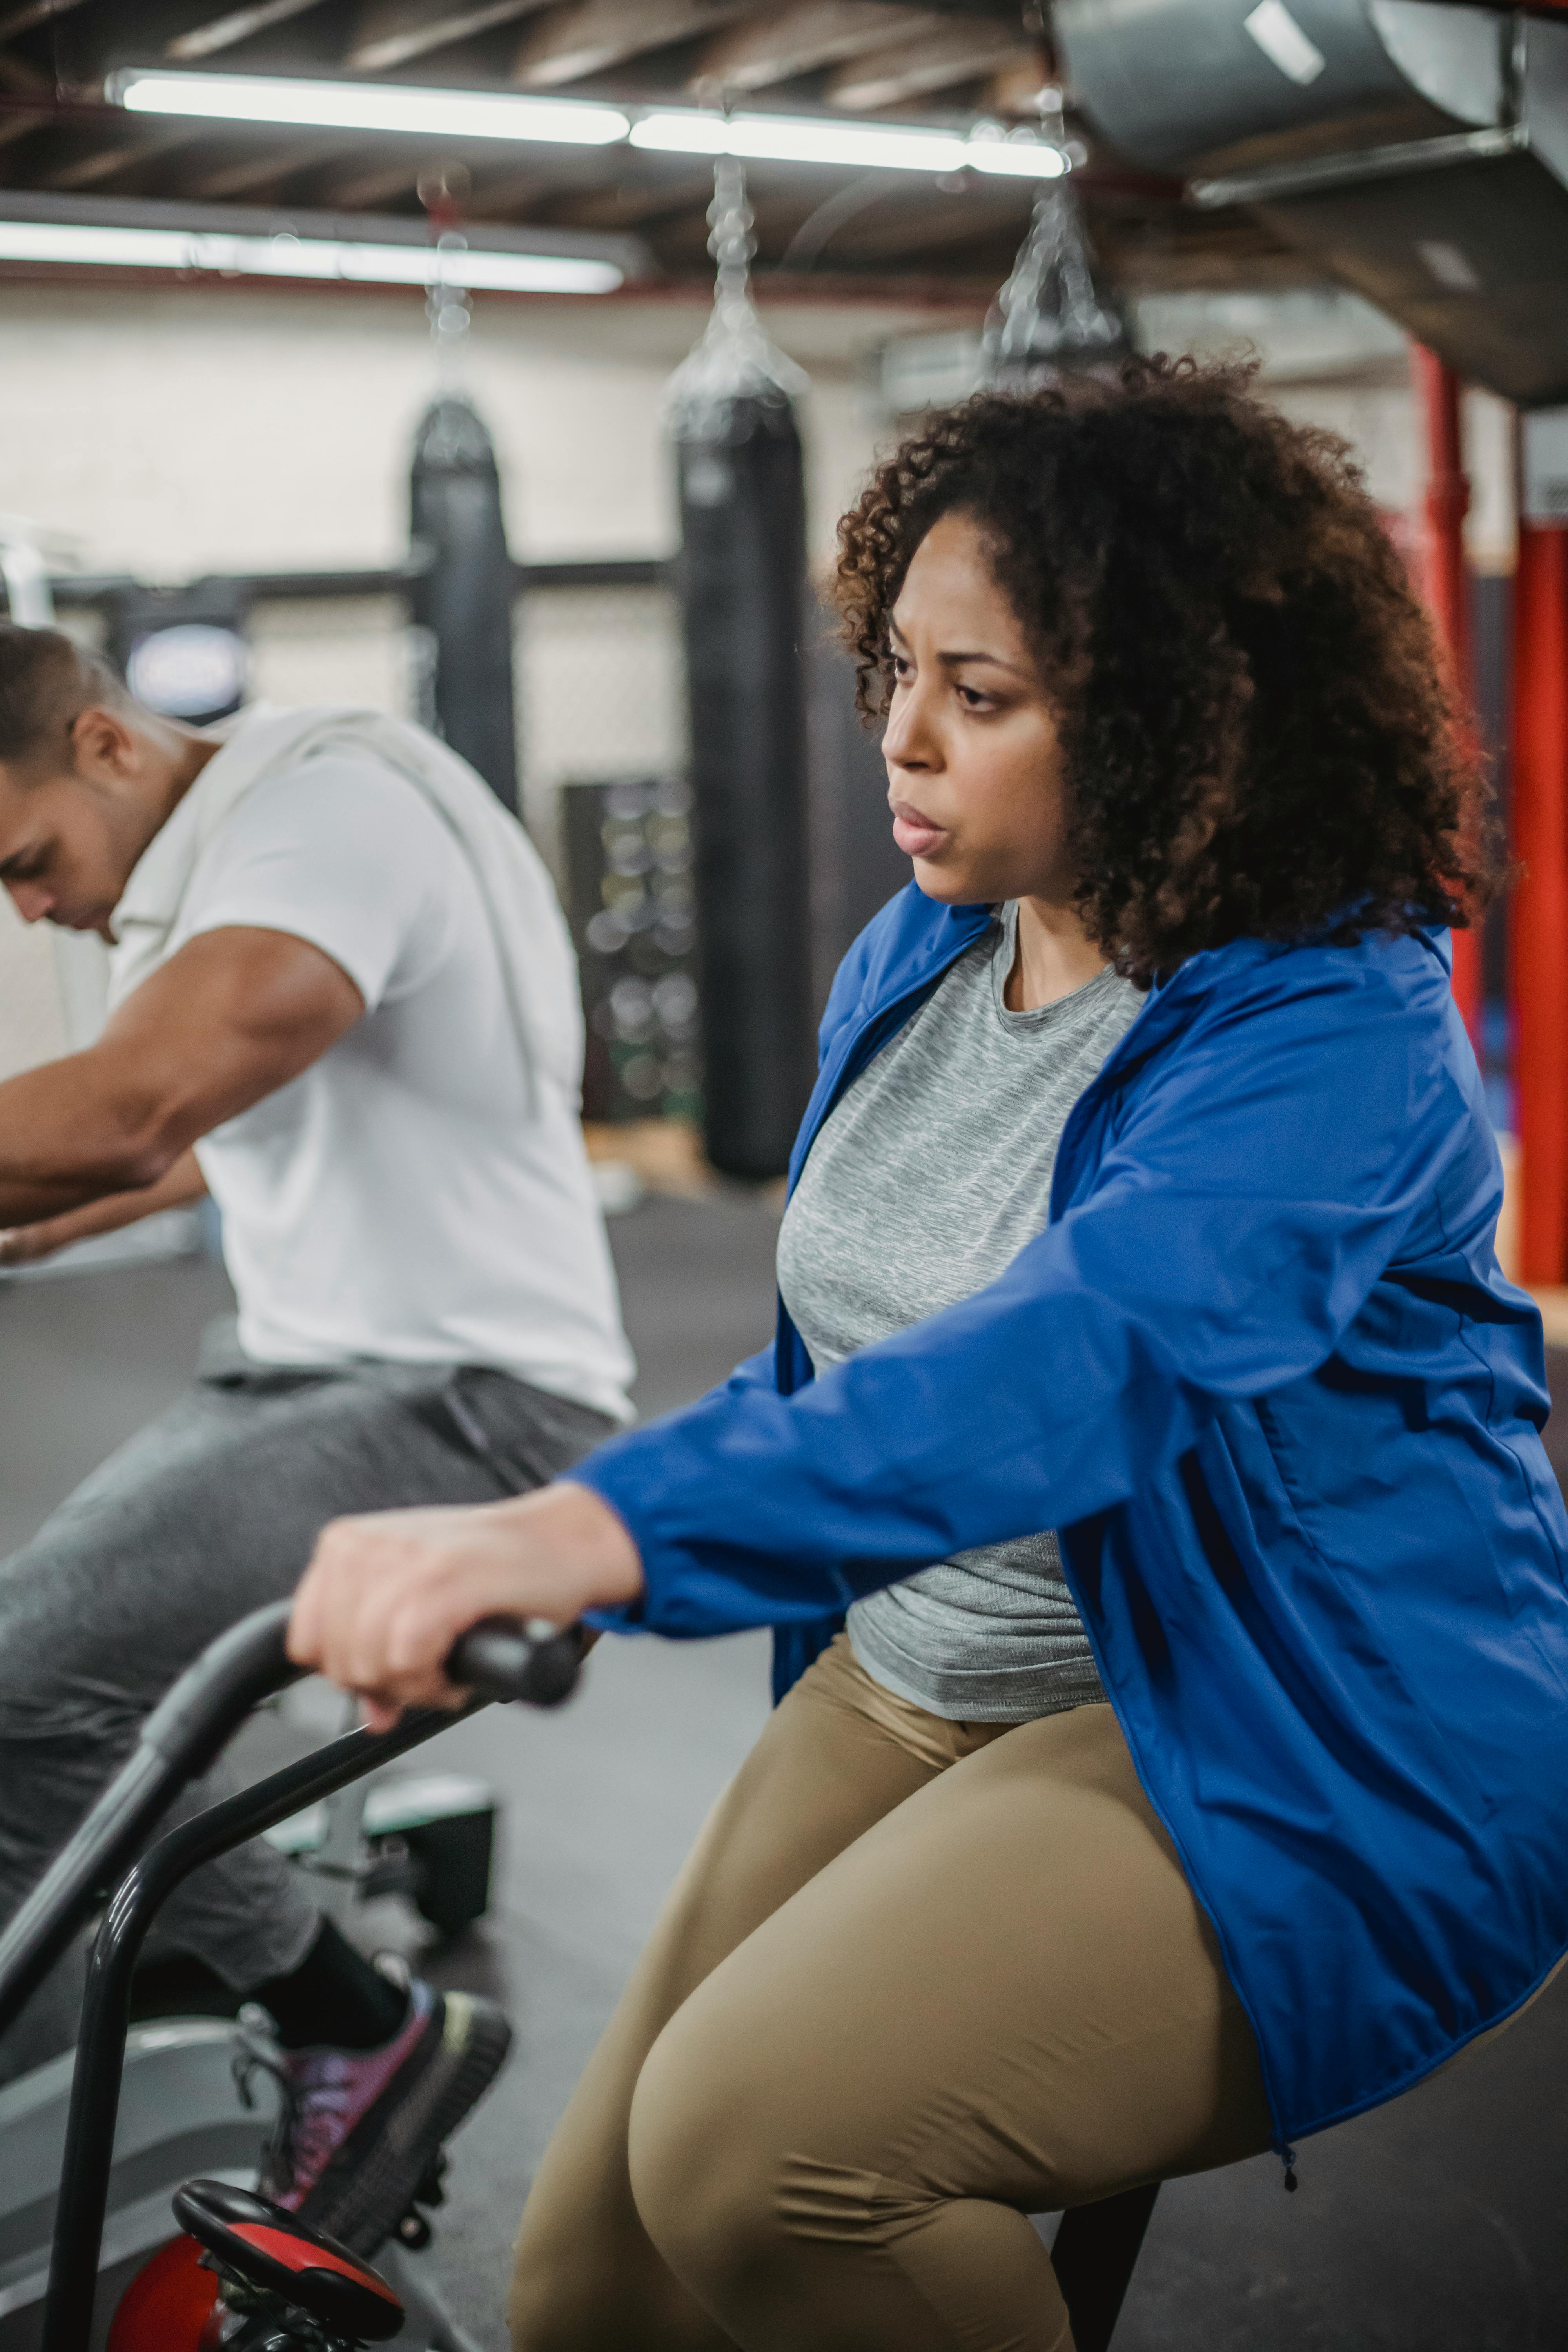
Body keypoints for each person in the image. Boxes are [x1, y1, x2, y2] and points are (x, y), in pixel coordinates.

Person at [287, 356, 1568, 2351]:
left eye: (979, 698)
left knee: (760, 2155)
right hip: (926, 1663)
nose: (898, 741)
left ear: (1173, 725)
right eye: (894, 669)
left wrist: (600, 1543)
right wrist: (546, 1540)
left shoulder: (1333, 1027)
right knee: (591, 2294)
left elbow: (1087, 1358)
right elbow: (842, 1365)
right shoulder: (925, 948)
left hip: (1272, 1715)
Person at [0, 632, 635, 2254]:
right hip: (314, 1376)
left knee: (19, 1703)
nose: (27, 907)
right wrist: (48, 1218)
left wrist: (97, 1159)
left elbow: (143, 1102)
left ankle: (362, 2023)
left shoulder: (325, 815)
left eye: (26, 859)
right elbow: (212, 1141)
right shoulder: (240, 851)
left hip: (465, 1406)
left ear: (108, 747)